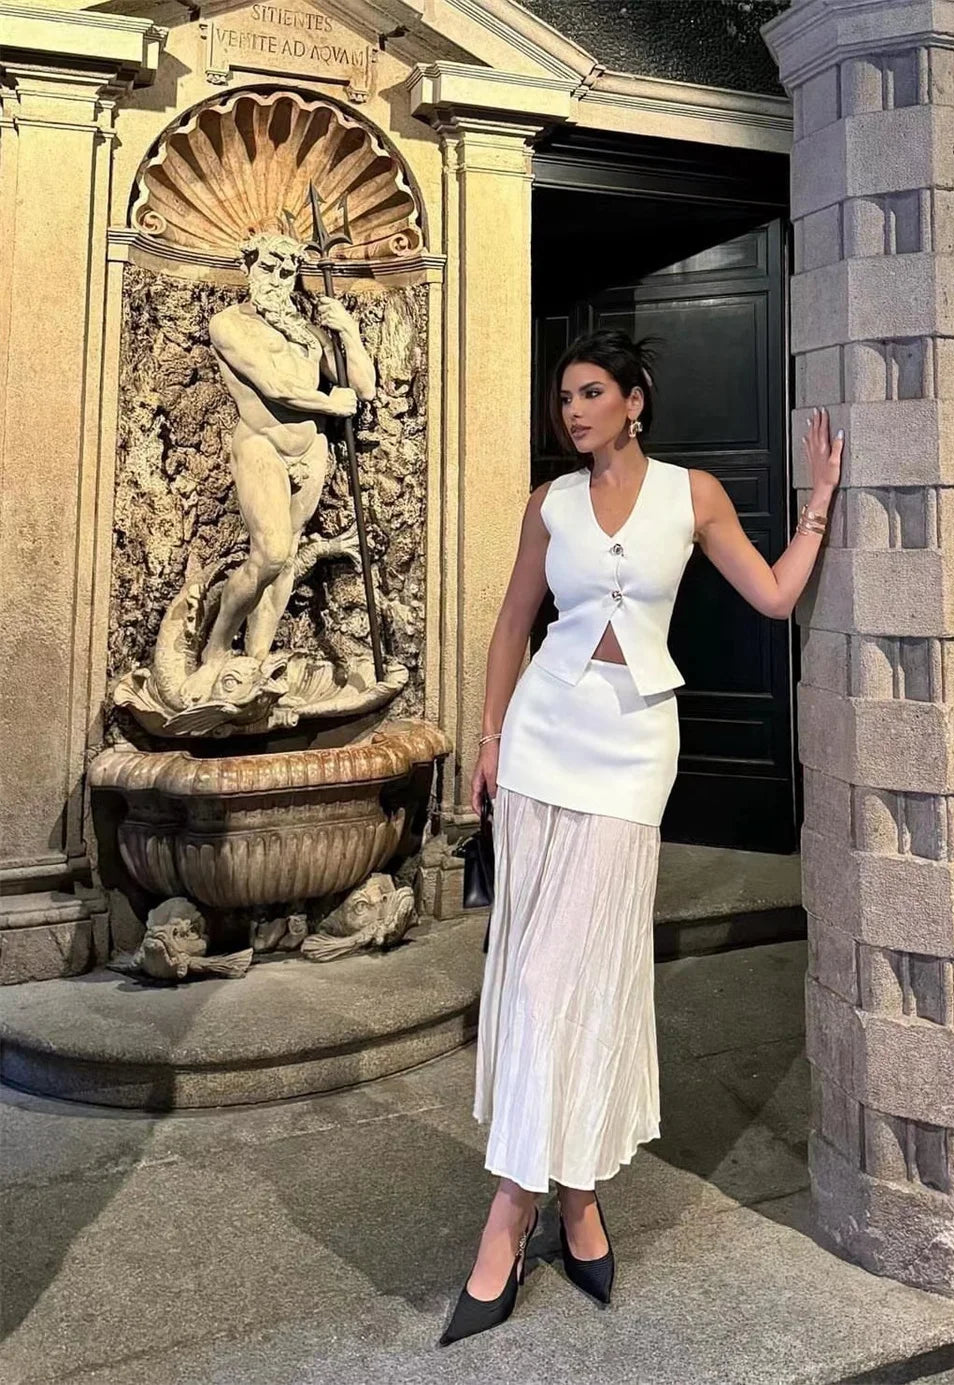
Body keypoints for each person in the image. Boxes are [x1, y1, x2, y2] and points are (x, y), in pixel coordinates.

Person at [439, 329, 842, 1347]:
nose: (572, 411)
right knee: (535, 973)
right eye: (563, 397)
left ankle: (512, 1213)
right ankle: (573, 1199)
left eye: (590, 392)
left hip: (631, 754)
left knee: (582, 973)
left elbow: (775, 594)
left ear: (635, 399)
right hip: (542, 742)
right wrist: (489, 739)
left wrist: (818, 506)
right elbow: (511, 624)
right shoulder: (550, 503)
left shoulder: (691, 495)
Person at [179, 232, 376, 705]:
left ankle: (256, 660)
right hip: (261, 445)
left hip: (311, 450)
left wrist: (347, 332)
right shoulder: (230, 324)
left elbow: (363, 387)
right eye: (268, 268)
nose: (278, 280)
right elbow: (274, 386)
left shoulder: (306, 332)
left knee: (285, 561)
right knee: (269, 553)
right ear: (248, 268)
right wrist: (331, 402)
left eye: (287, 272)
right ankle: (216, 648)